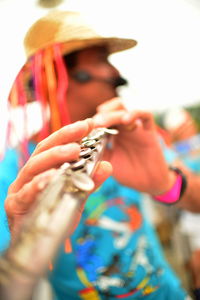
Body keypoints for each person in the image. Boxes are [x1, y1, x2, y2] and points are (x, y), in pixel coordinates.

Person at [1, 9, 200, 299]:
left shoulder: (130, 136)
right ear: (59, 77)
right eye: (102, 61)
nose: (117, 73)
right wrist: (23, 238)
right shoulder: (13, 171)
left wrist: (168, 185)